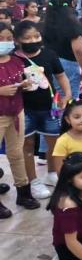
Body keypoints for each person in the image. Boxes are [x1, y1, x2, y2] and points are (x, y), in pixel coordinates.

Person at [15, 21, 72, 200]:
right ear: (17, 41)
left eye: (36, 36)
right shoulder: (13, 58)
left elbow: (61, 76)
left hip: (50, 107)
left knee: (53, 142)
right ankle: (33, 181)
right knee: (27, 145)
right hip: (24, 109)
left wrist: (67, 95)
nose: (33, 40)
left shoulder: (49, 54)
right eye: (27, 38)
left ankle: (52, 173)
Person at [0, 23, 40, 218]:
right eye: (1, 38)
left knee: (16, 153)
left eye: (8, 38)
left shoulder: (17, 60)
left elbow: (19, 81)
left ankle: (23, 192)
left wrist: (24, 84)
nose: (5, 42)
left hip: (16, 112)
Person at [44, 0, 82, 99]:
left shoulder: (44, 22)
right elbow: (78, 49)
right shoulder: (73, 23)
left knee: (53, 99)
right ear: (71, 4)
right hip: (67, 65)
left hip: (47, 63)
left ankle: (55, 116)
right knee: (68, 99)